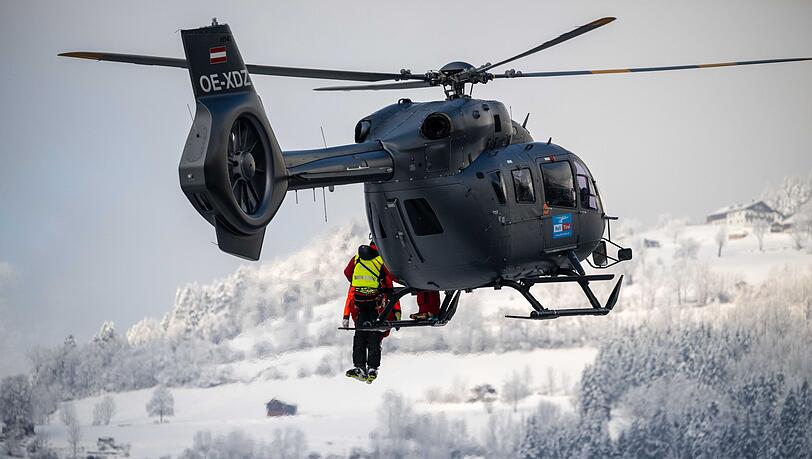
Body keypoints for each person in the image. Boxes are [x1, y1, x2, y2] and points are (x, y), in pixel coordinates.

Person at [342, 243, 400, 383]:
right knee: (374, 335)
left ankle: (359, 366)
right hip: (376, 304)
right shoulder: (381, 259)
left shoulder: (357, 259)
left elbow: (347, 273)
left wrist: (346, 315)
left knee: (360, 335)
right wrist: (397, 311)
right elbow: (392, 281)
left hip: (360, 303)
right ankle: (372, 367)